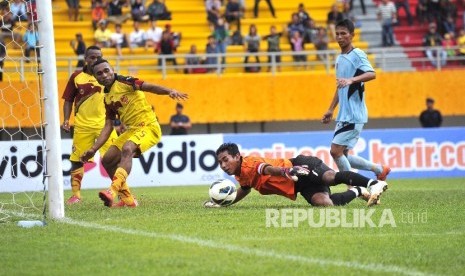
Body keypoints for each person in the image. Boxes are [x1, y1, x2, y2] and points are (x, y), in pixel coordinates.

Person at [80, 58, 188, 207]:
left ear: (112, 70)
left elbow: (148, 86)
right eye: (99, 73)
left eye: (106, 70)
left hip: (148, 126)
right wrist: (93, 149)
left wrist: (169, 91)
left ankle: (113, 190)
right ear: (96, 77)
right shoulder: (107, 98)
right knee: (107, 160)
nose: (104, 75)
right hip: (132, 130)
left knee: (127, 148)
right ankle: (128, 200)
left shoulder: (125, 81)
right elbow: (108, 125)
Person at [204, 142, 388, 208]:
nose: (223, 165)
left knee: (330, 178)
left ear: (237, 156)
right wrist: (222, 203)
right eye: (220, 162)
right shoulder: (240, 175)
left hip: (300, 166)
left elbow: (267, 169)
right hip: (298, 184)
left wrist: (286, 171)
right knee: (325, 203)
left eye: (226, 159)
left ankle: (373, 183)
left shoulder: (250, 164)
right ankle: (358, 190)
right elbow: (244, 189)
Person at [321, 19, 391, 182]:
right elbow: (340, 86)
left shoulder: (357, 54)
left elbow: (371, 73)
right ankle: (380, 170)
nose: (339, 37)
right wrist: (331, 109)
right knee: (342, 154)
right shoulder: (339, 58)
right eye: (337, 34)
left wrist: (352, 80)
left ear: (352, 35)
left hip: (354, 113)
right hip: (344, 114)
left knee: (335, 151)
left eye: (343, 33)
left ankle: (353, 187)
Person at [62, 46, 119, 205]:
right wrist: (66, 120)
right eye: (92, 57)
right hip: (82, 126)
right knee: (77, 159)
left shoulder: (106, 76)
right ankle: (76, 195)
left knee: (113, 159)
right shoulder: (76, 77)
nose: (95, 60)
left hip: (105, 126)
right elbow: (67, 100)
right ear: (86, 59)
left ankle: (122, 194)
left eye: (98, 57)